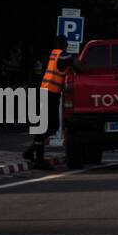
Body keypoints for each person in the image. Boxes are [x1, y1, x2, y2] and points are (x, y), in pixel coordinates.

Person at [23, 35, 79, 170]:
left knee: (46, 126)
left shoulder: (52, 54)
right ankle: (36, 157)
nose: (66, 45)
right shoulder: (63, 56)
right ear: (62, 43)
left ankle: (33, 155)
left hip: (45, 92)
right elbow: (77, 66)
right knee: (52, 126)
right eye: (65, 43)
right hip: (50, 94)